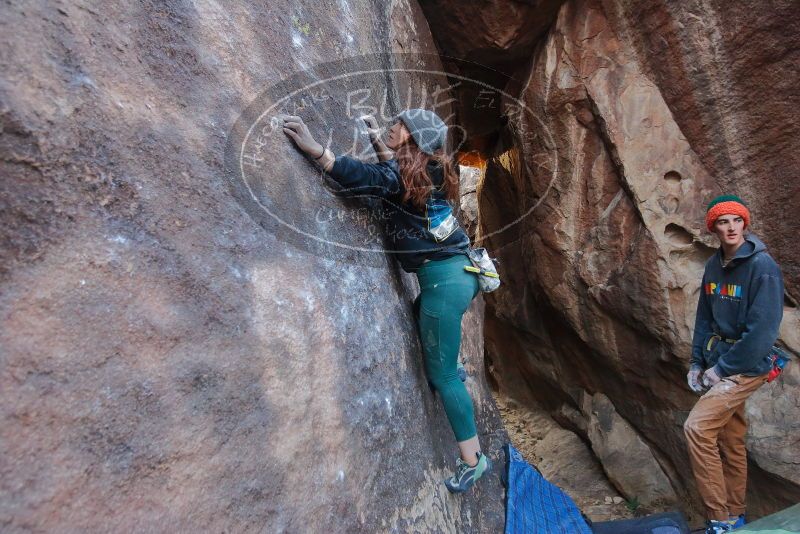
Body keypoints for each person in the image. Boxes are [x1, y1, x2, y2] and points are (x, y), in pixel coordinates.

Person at [283, 109, 491, 493]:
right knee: (425, 325)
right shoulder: (431, 169)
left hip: (445, 284)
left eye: (400, 125)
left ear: (412, 137)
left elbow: (368, 178)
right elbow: (396, 179)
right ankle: (452, 363)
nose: (394, 126)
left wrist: (315, 149)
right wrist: (379, 140)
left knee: (441, 376)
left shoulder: (402, 174)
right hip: (461, 276)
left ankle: (473, 461)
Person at [684, 195, 784, 533]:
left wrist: (721, 371)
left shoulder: (762, 267)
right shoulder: (715, 265)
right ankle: (737, 514)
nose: (730, 227)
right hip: (718, 359)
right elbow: (704, 318)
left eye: (736, 220)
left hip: (747, 364)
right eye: (723, 221)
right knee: (730, 439)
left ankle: (719, 519)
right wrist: (697, 362)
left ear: (745, 224)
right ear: (714, 227)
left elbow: (762, 334)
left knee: (697, 429)